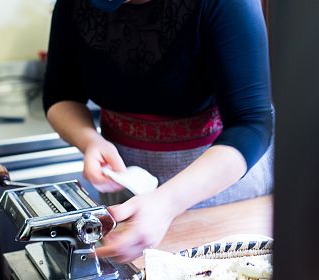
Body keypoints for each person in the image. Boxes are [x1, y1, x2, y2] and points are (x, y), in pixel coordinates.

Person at [43, 0, 274, 264]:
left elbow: (252, 123)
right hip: (126, 189)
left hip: (218, 188)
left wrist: (166, 204)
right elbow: (60, 96)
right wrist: (89, 139)